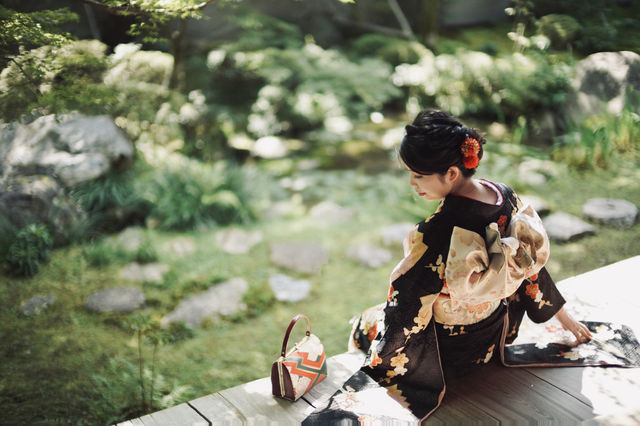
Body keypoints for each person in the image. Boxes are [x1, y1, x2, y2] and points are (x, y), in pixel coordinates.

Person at [346, 109, 592, 420]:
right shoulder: (504, 196)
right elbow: (527, 265)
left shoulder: (441, 230)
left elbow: (407, 305)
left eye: (418, 175)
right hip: (494, 338)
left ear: (451, 173)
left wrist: (381, 361)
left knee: (365, 322)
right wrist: (565, 320)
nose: (412, 183)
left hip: (447, 354)